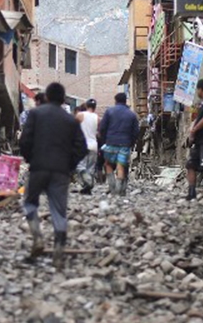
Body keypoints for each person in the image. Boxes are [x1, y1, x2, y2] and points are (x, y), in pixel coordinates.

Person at [18, 82, 87, 268]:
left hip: (38, 167)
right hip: (61, 172)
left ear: (47, 96)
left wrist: (30, 158)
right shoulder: (70, 120)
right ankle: (58, 251)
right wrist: (69, 165)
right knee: (58, 210)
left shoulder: (35, 114)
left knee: (30, 203)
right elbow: (81, 147)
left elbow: (24, 140)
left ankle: (37, 237)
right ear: (63, 99)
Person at [98, 93, 140, 196]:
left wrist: (104, 141)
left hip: (111, 142)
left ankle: (112, 188)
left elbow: (102, 128)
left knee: (108, 164)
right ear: (125, 101)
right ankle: (119, 189)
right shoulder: (131, 114)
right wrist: (131, 143)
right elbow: (136, 132)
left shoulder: (109, 111)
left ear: (115, 100)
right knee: (120, 166)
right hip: (125, 144)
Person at [75, 99, 99, 195]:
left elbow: (72, 126)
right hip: (93, 145)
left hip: (82, 144)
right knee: (90, 168)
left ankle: (88, 181)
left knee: (80, 166)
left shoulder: (80, 115)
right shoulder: (97, 117)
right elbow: (97, 131)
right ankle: (87, 188)